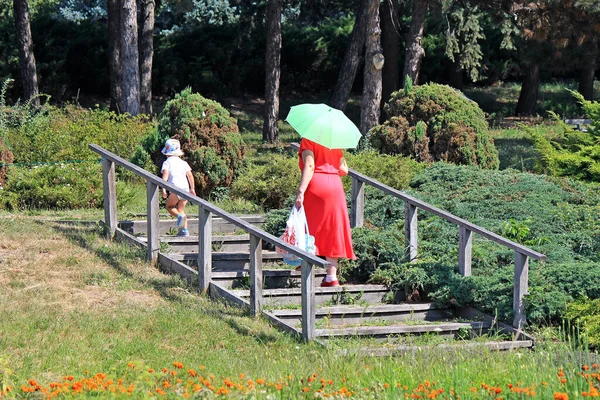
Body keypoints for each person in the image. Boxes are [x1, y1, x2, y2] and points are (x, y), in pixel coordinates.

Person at [294, 138, 356, 287]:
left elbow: (309, 165)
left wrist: (301, 191)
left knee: (308, 224)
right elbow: (344, 170)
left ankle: (305, 262)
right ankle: (331, 277)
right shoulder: (333, 141)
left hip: (317, 184)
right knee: (333, 229)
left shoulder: (308, 140)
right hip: (335, 186)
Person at [160, 138, 195, 237]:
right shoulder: (183, 163)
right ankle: (184, 231)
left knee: (169, 207)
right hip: (185, 189)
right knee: (181, 209)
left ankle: (179, 217)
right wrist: (192, 188)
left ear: (167, 153)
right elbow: (190, 175)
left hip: (175, 189)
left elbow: (165, 175)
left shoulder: (167, 162)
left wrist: (163, 188)